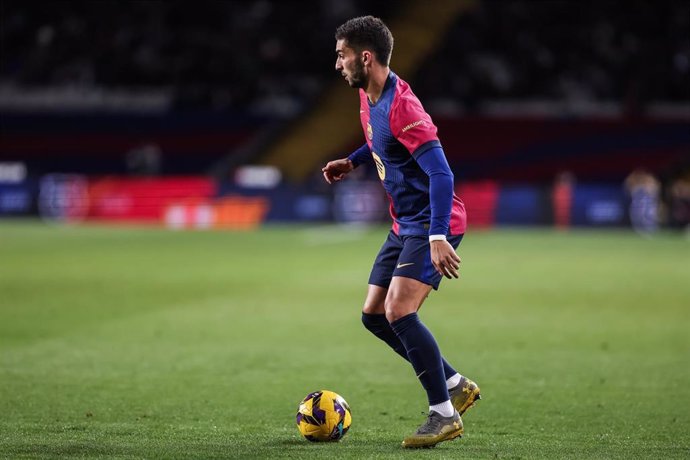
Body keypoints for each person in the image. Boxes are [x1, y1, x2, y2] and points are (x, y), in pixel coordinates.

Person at [322, 16, 480, 448]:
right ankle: (455, 383)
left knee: (399, 311)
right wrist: (353, 160)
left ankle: (443, 414)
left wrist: (436, 237)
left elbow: (441, 174)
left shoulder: (404, 107)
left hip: (433, 223)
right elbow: (380, 140)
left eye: (342, 54)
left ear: (365, 57)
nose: (337, 63)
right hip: (403, 223)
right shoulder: (367, 93)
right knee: (373, 315)